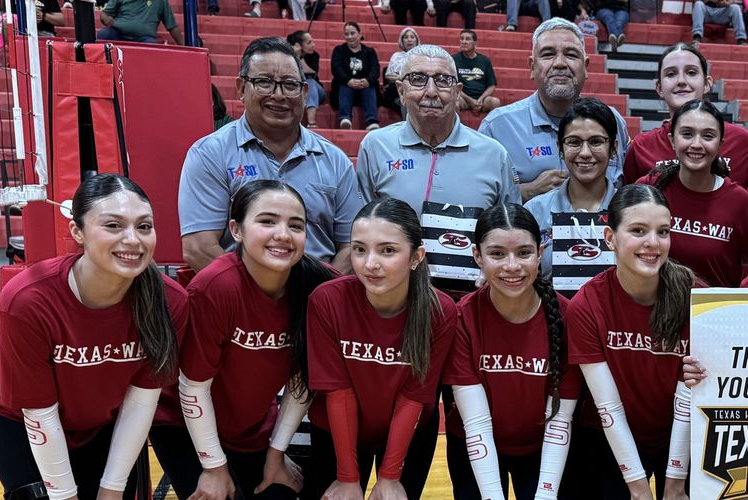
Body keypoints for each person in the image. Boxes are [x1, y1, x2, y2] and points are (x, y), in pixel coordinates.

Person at [0, 173, 186, 500]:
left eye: (144, 226)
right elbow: (40, 412)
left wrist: (112, 490)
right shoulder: (27, 300)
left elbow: (141, 403)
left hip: (102, 415)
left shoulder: (170, 302)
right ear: (77, 231)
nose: (133, 239)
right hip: (16, 415)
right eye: (113, 225)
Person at [151, 180, 336, 500]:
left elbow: (301, 381)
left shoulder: (314, 285)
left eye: (296, 225)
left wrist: (276, 455)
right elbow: (193, 388)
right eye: (267, 221)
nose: (283, 234)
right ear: (236, 230)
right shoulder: (217, 287)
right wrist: (214, 468)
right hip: (184, 424)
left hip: (250, 429)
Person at [303, 199, 460, 500]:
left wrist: (389, 476)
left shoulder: (440, 311)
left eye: (387, 250)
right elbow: (339, 392)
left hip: (409, 432)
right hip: (337, 430)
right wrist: (348, 478)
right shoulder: (327, 300)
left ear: (416, 257)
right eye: (360, 249)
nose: (370, 264)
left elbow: (415, 396)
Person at [179, 37, 364, 276]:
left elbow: (352, 246)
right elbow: (199, 248)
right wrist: (257, 295)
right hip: (238, 295)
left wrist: (322, 294)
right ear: (241, 88)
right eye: (264, 82)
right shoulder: (210, 154)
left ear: (304, 93)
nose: (278, 95)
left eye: (289, 85)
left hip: (319, 293)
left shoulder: (336, 161)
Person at [565, 184, 695, 498]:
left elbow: (687, 398)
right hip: (608, 439)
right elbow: (608, 406)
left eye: (663, 232)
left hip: (680, 435)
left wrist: (675, 484)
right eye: (638, 230)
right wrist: (638, 489)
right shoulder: (587, 304)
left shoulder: (694, 296)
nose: (653, 243)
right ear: (610, 237)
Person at [444, 204, 581, 500]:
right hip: (473, 445)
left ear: (540, 253)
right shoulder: (462, 317)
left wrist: (546, 494)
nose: (512, 266)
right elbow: (476, 424)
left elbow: (560, 420)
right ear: (477, 256)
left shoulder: (567, 317)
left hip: (544, 447)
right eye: (497, 254)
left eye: (523, 253)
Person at [480, 18, 632, 202]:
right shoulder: (497, 127)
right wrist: (526, 191)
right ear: (532, 67)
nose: (560, 63)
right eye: (548, 54)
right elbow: (479, 199)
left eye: (571, 54)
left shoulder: (613, 121)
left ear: (585, 67)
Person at [358, 44, 520, 213]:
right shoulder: (375, 147)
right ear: (401, 92)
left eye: (443, 80)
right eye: (417, 79)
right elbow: (361, 223)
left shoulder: (495, 155)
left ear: (457, 93)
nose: (431, 91)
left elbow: (510, 225)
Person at [636, 99, 748, 287]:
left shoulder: (740, 202)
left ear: (720, 144)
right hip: (655, 304)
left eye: (708, 136)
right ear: (672, 140)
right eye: (687, 134)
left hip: (716, 305)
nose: (696, 144)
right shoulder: (649, 187)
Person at [623, 44, 748, 186]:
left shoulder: (741, 141)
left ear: (707, 84)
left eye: (691, 73)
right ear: (659, 87)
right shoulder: (641, 146)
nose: (681, 81)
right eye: (671, 74)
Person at [525, 97, 621, 274]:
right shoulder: (534, 212)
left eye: (596, 141)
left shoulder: (630, 211)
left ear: (613, 148)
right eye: (574, 142)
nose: (584, 153)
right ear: (560, 148)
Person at [330, 22, 381, 130]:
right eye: (346, 34)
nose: (349, 37)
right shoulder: (339, 50)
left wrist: (367, 80)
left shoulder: (370, 52)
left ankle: (371, 121)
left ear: (359, 34)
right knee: (343, 85)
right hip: (345, 86)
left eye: (352, 33)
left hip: (365, 86)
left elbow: (375, 69)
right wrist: (348, 80)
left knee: (370, 86)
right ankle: (345, 119)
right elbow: (336, 68)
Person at [452, 30, 503, 114]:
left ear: (475, 43)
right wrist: (470, 100)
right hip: (463, 98)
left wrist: (480, 100)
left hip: (482, 99)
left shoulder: (484, 60)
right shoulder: (453, 60)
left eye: (467, 39)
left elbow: (492, 85)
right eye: (462, 38)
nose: (464, 41)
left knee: (495, 102)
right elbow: (453, 85)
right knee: (454, 102)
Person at [98, 0, 185, 44]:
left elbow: (172, 27)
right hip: (119, 33)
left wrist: (186, 48)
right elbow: (104, 14)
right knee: (104, 34)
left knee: (151, 45)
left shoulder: (161, 1)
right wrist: (106, 19)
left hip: (144, 38)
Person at [287, 30, 326, 128]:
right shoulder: (287, 57)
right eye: (309, 42)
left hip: (316, 91)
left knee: (309, 82)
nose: (313, 45)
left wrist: (299, 57)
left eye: (312, 41)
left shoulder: (314, 56)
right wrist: (294, 55)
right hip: (294, 90)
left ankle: (311, 123)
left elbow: (310, 72)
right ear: (298, 45)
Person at [382, 27, 422, 117]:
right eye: (406, 37)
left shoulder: (421, 57)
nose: (409, 40)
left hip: (417, 87)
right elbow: (388, 76)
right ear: (402, 41)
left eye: (412, 37)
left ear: (416, 40)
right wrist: (403, 78)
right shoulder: (396, 56)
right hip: (398, 88)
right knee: (405, 95)